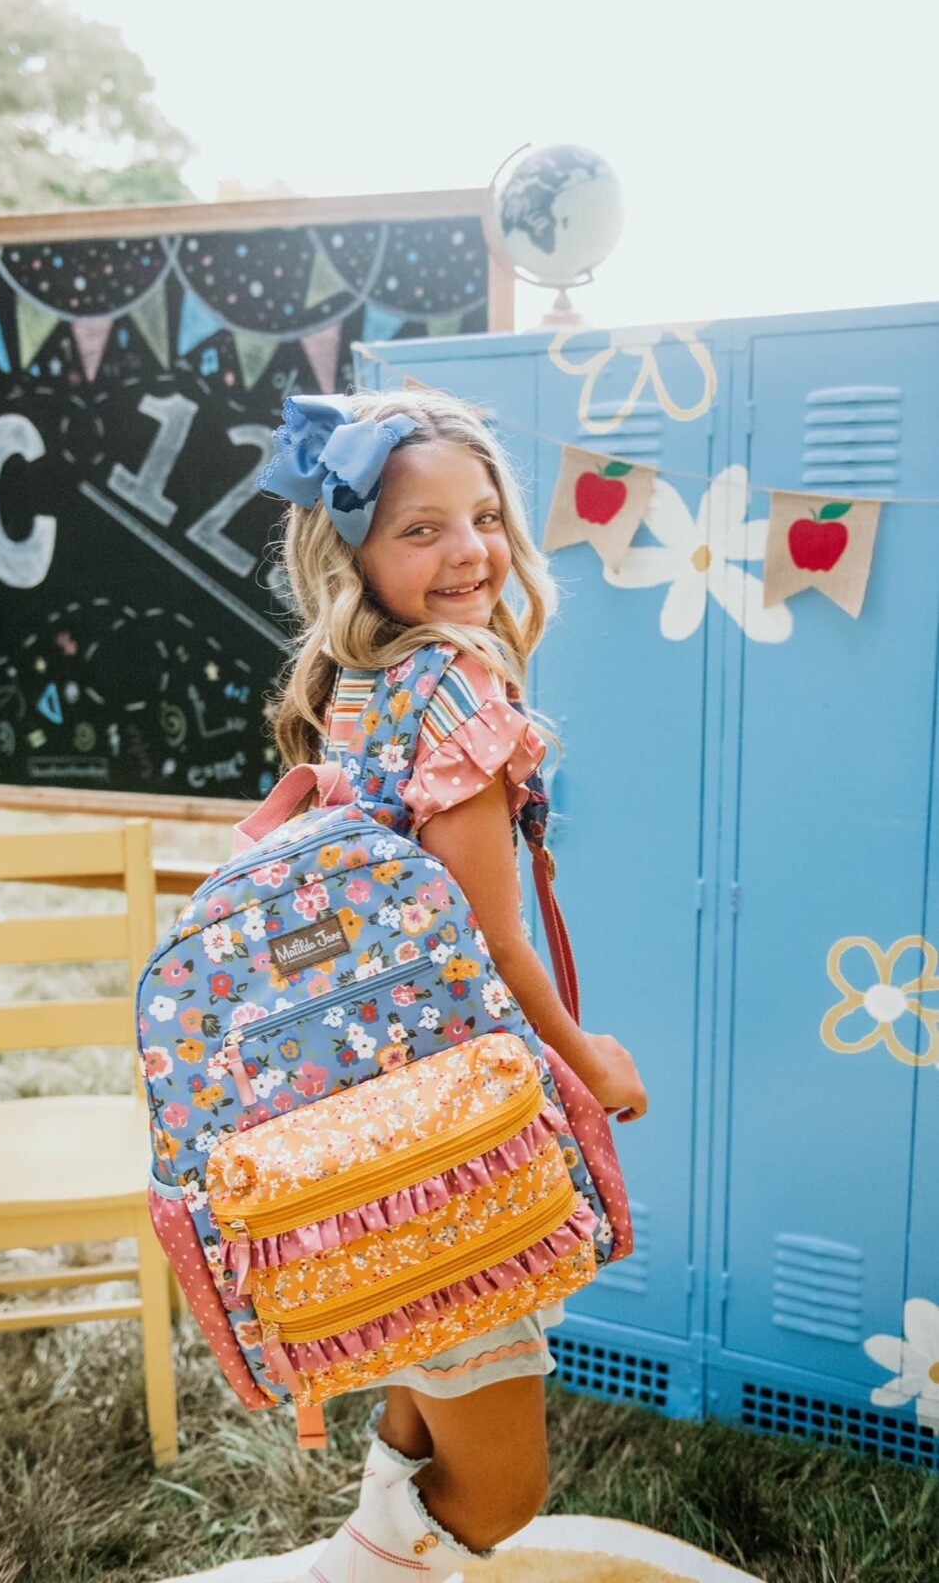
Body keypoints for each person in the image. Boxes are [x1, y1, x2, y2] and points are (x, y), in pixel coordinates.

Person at [260, 385, 648, 1580]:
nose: (470, 550)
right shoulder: (456, 692)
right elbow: (490, 938)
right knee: (505, 1482)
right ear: (354, 552)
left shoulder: (350, 684)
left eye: (481, 515)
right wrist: (589, 1058)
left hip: (367, 1108)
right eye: (420, 528)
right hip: (456, 1129)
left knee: (427, 1366)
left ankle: (372, 1540)